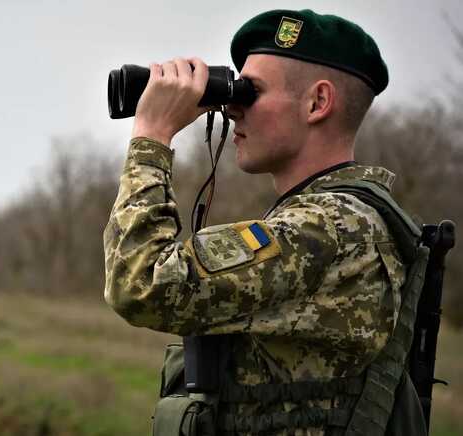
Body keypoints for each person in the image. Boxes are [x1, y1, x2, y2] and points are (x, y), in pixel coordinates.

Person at [103, 9, 427, 436]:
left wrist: (152, 135)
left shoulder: (329, 229)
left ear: (318, 103)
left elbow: (140, 284)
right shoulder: (333, 221)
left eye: (250, 91)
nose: (233, 107)